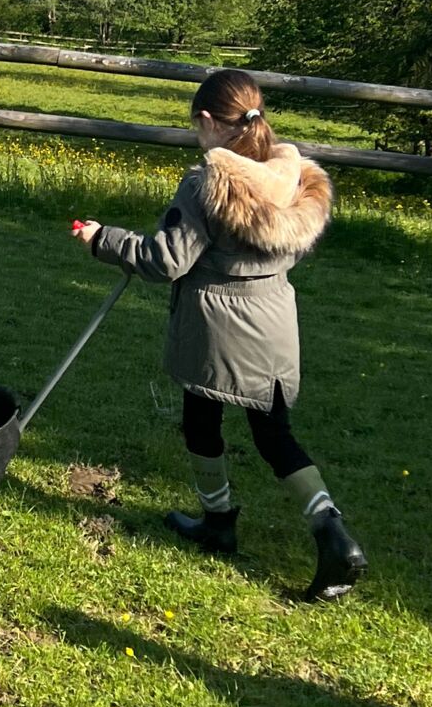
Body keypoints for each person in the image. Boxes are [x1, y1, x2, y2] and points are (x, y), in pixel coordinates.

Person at [72, 68, 366, 601]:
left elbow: (167, 260)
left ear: (207, 121)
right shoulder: (295, 178)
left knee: (201, 422)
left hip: (217, 327)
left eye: (195, 126)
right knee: (275, 435)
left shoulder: (210, 182)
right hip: (274, 322)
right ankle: (332, 531)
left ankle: (219, 520)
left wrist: (102, 239)